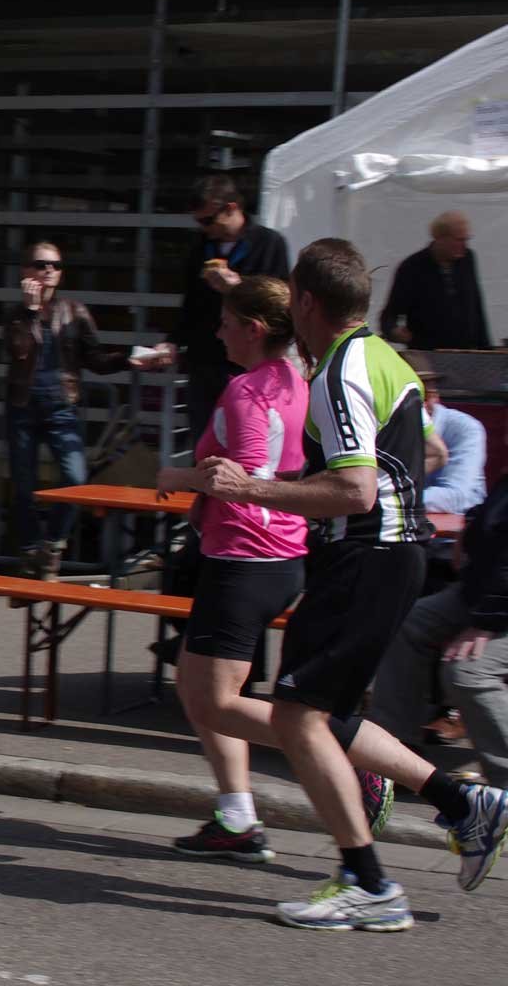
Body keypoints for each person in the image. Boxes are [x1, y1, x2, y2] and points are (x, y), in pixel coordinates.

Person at [198, 238, 506, 930]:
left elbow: (356, 490)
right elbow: (427, 448)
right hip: (392, 555)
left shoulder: (338, 374)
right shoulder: (386, 358)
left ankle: (367, 881)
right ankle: (462, 805)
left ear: (306, 302)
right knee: (322, 709)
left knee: (298, 716)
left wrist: (251, 485)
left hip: (367, 554)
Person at [156, 277, 322, 862]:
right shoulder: (295, 382)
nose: (217, 330)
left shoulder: (249, 391)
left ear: (253, 330)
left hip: (246, 557)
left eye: (226, 322)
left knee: (211, 699)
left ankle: (349, 756)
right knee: (199, 686)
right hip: (275, 556)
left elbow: (239, 478)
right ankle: (236, 816)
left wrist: (174, 478)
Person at [3, 242, 163, 580]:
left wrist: (128, 358)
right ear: (25, 271)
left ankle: (53, 544)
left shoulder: (74, 311)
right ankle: (32, 551)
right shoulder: (15, 316)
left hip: (62, 407)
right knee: (23, 485)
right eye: (41, 264)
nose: (49, 271)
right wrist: (32, 313)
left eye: (56, 265)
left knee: (75, 477)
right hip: (22, 409)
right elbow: (20, 353)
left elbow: (97, 359)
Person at [371, 474, 508, 791]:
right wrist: (473, 526)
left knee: (469, 671)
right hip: (482, 592)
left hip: (496, 603)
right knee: (406, 625)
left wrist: (486, 621)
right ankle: (393, 753)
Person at [160, 174, 292, 443]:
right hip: (205, 359)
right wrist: (173, 341)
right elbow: (190, 302)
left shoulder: (269, 243)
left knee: (245, 437)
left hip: (248, 361)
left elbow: (280, 300)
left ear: (231, 208)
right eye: (198, 222)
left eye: (208, 220)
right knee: (204, 441)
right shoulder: (201, 248)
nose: (204, 227)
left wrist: (238, 286)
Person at [380, 211, 491, 352]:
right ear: (440, 238)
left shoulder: (467, 259)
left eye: (466, 239)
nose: (464, 245)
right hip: (428, 354)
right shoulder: (412, 267)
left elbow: (476, 305)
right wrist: (393, 332)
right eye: (458, 240)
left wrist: (486, 349)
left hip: (466, 354)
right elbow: (390, 313)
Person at [422, 373, 487, 515]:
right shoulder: (383, 426)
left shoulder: (464, 427)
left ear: (432, 397)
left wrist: (388, 501)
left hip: (458, 527)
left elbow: (455, 496)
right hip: (400, 520)